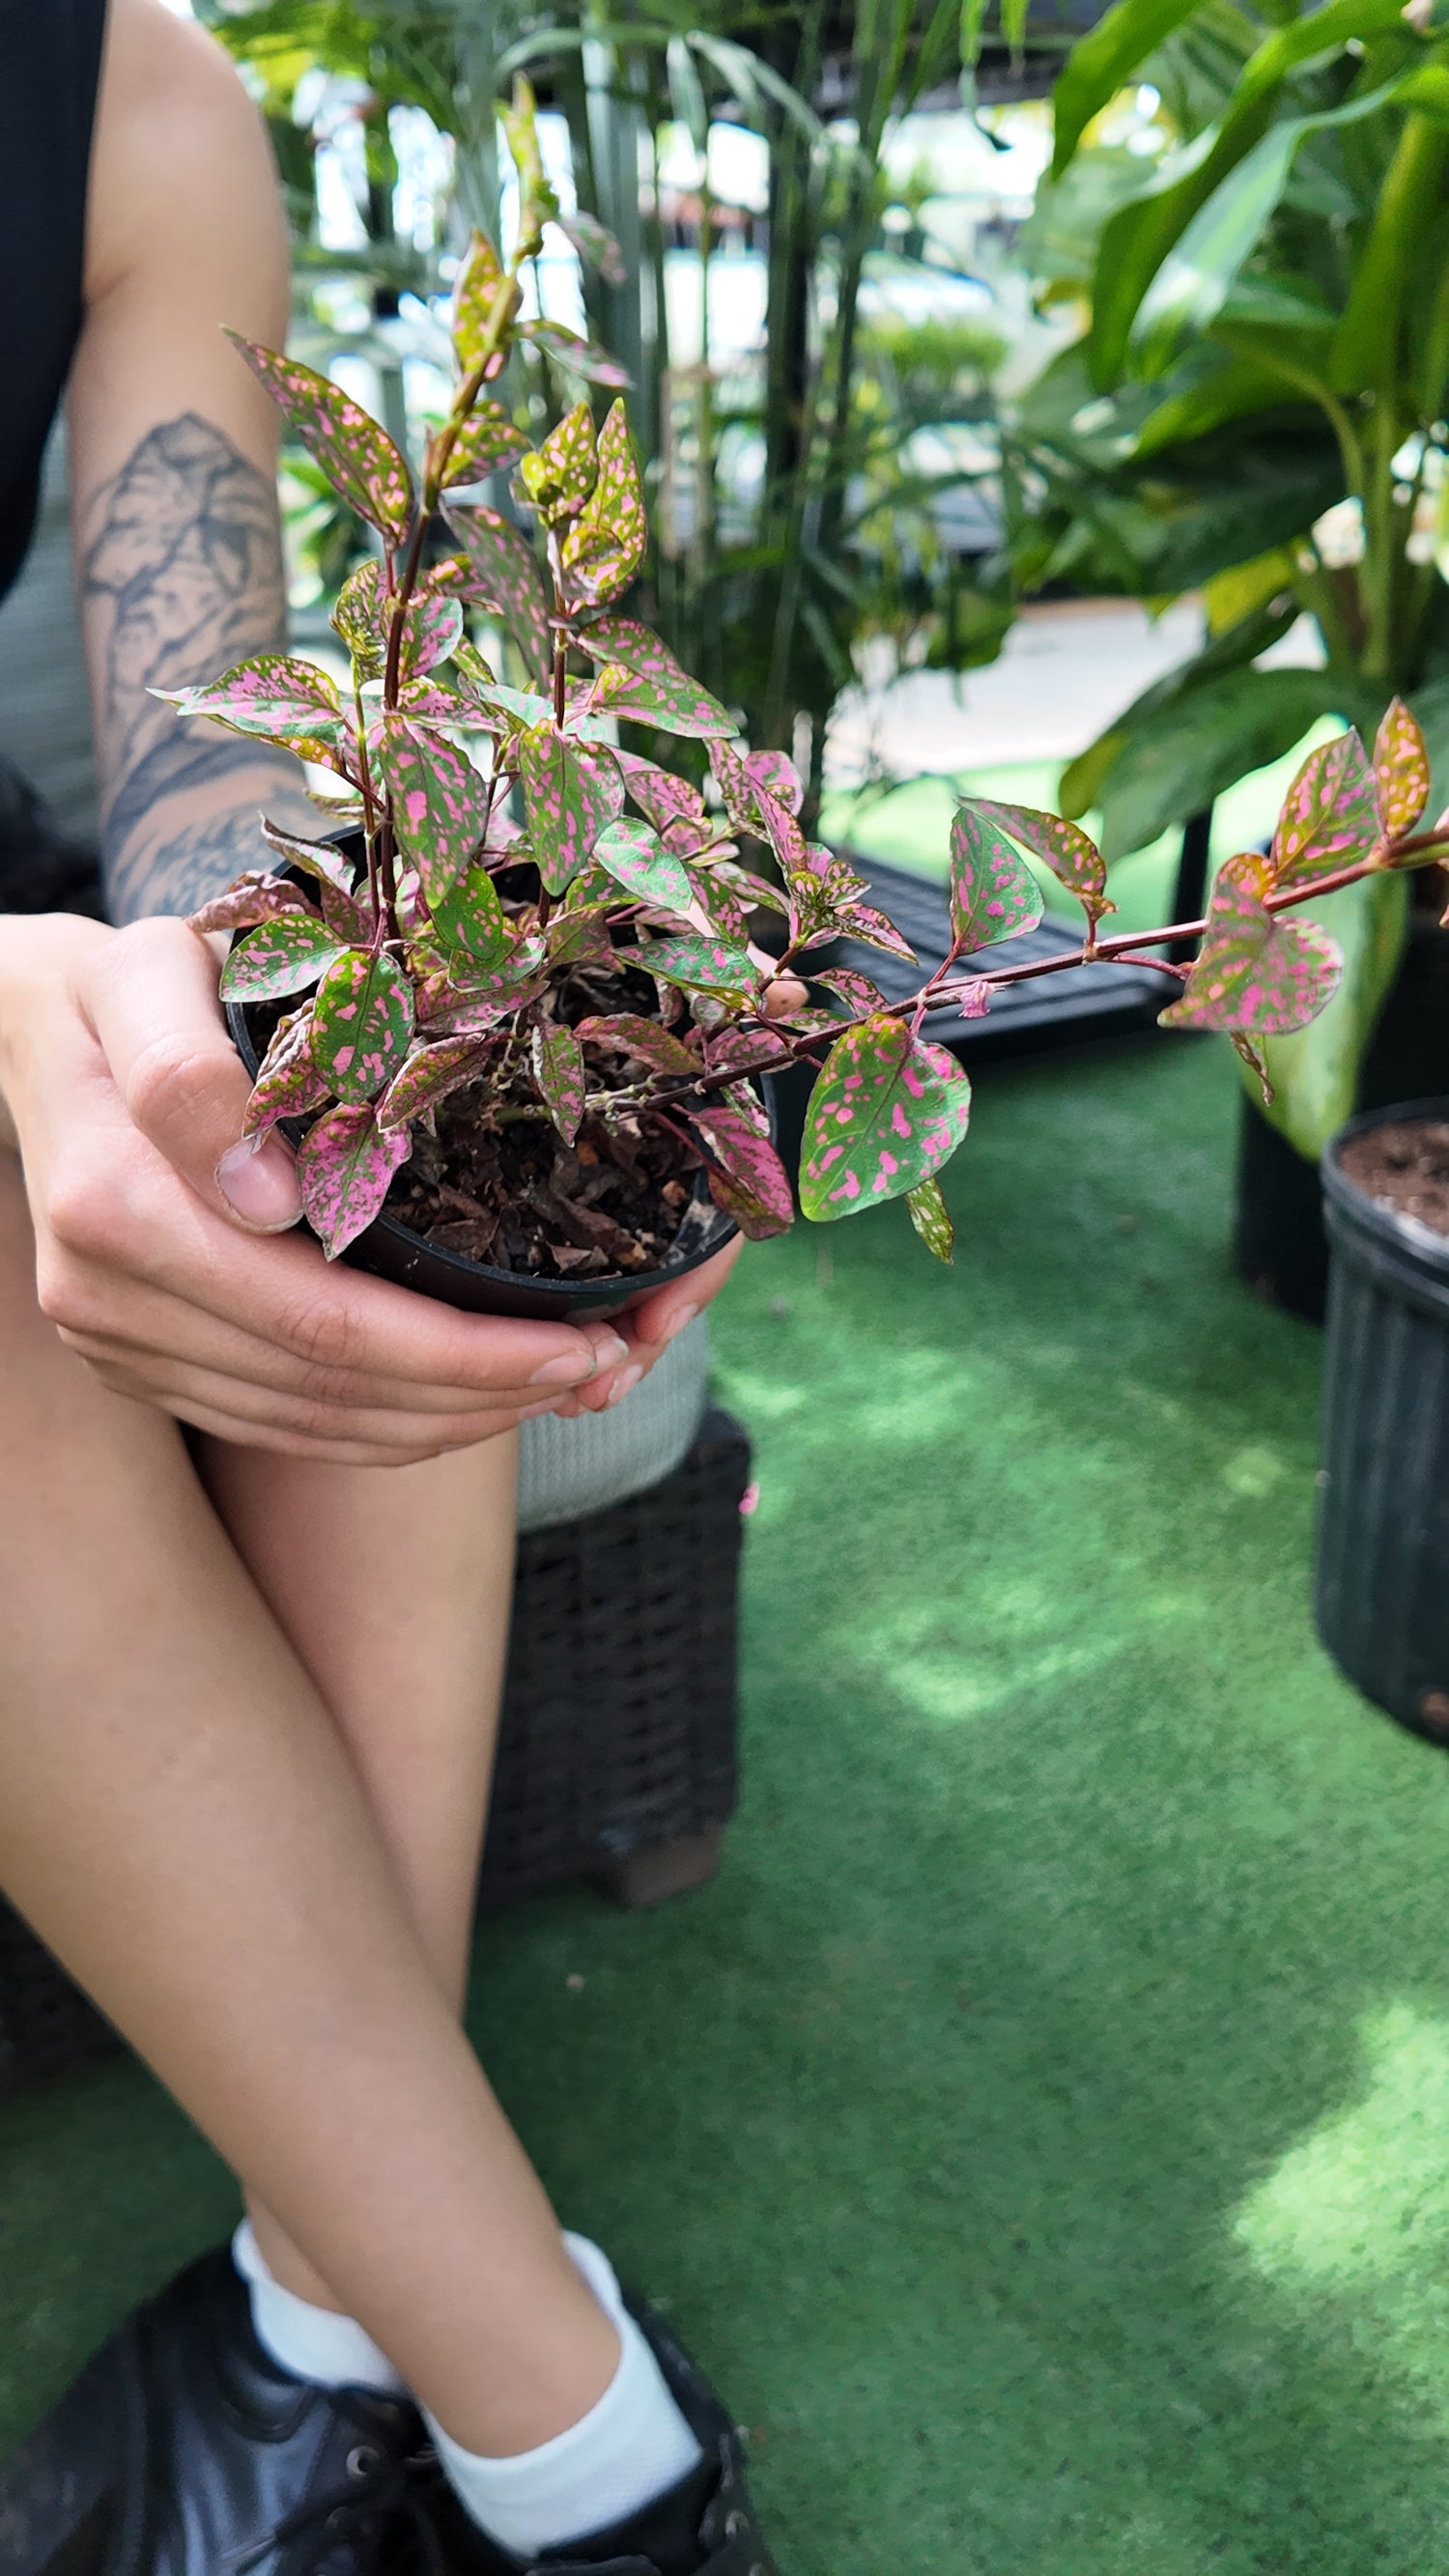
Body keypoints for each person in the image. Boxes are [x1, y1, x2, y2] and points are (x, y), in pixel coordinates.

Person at [0, 5, 785, 2568]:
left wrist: (269, 998)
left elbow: (205, 754)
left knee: (365, 1117)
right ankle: (572, 2449)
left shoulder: (134, 99)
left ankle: (332, 2303)